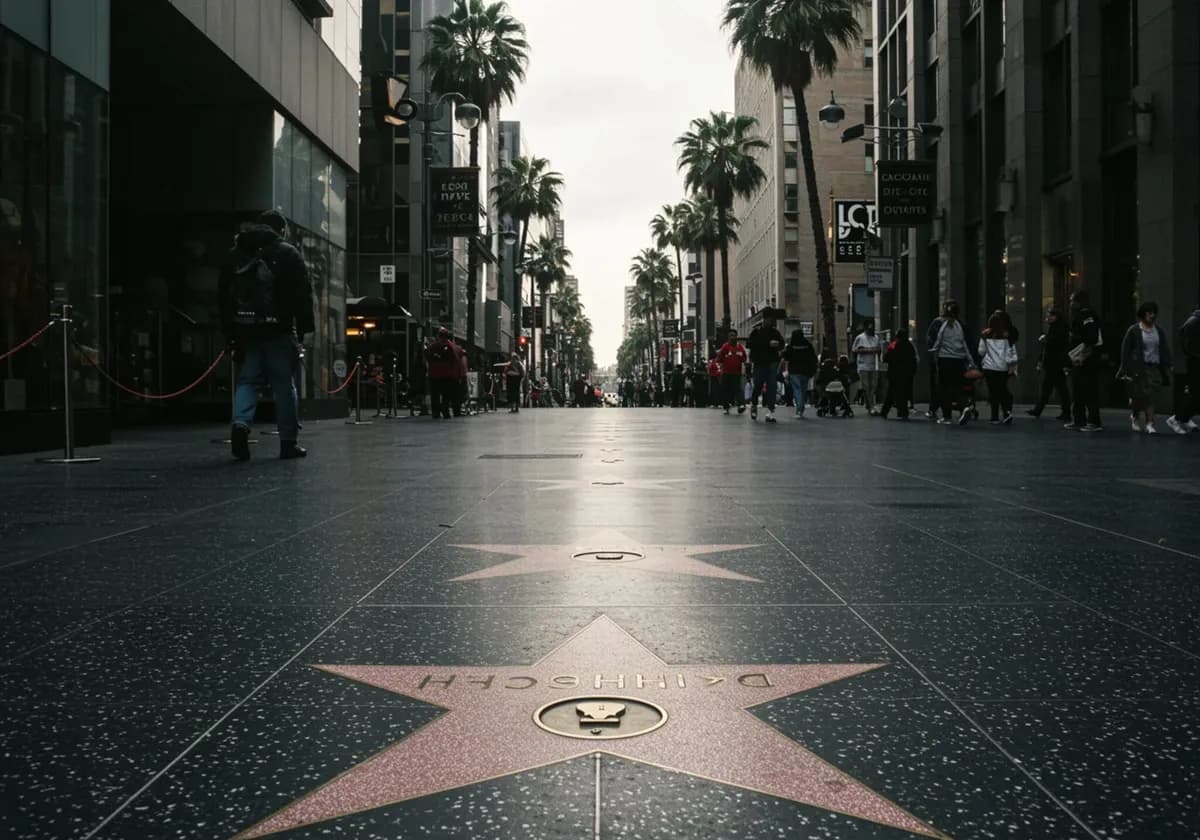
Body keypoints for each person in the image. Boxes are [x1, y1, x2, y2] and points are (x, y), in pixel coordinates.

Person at [219, 209, 315, 461]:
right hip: (278, 330)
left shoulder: (236, 253)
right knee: (284, 386)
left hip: (245, 329)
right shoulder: (287, 253)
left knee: (248, 381)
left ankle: (240, 424)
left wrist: (229, 331)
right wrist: (304, 330)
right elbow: (302, 294)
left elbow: (223, 296)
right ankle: (288, 442)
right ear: (281, 230)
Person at [1118, 301, 1172, 435]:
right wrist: (1125, 368)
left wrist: (1168, 363)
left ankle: (1150, 423)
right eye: (1149, 313)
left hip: (1154, 368)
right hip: (1139, 368)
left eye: (1154, 313)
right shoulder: (1134, 330)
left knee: (1151, 396)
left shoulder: (1158, 331)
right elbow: (1126, 350)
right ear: (1143, 315)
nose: (1152, 316)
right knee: (1139, 397)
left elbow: (1164, 348)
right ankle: (1135, 416)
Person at [930, 299, 974, 426]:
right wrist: (970, 361)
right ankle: (964, 406)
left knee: (944, 388)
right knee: (958, 386)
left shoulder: (943, 326)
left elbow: (938, 342)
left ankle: (947, 416)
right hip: (959, 360)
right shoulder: (960, 326)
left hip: (945, 360)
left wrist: (934, 354)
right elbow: (965, 344)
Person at [1066, 289, 1104, 432]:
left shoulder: (1087, 315)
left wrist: (1079, 344)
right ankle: (1078, 419)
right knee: (1078, 390)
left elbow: (1091, 337)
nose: (1070, 304)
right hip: (1079, 358)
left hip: (1088, 359)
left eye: (1072, 300)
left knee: (1089, 390)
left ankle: (1094, 421)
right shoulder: (1079, 315)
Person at [1027, 306, 1071, 420]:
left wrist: (1045, 339)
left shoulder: (1059, 329)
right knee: (1057, 388)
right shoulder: (1055, 328)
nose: (1047, 317)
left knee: (1054, 388)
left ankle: (1040, 410)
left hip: (1055, 363)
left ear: (1056, 317)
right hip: (1053, 363)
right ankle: (1063, 412)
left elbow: (1056, 346)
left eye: (1050, 315)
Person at [979, 311, 1020, 425]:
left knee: (993, 392)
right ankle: (1007, 412)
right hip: (1003, 367)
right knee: (1002, 389)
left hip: (989, 367)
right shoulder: (1008, 336)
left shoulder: (985, 335)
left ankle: (994, 417)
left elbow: (981, 351)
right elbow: (1011, 351)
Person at [746, 313, 785, 422]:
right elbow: (749, 344)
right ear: (764, 320)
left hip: (772, 361)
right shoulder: (756, 332)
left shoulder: (775, 332)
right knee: (758, 384)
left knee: (772, 386)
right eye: (768, 319)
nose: (769, 322)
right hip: (759, 362)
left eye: (771, 320)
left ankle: (770, 411)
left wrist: (778, 345)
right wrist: (767, 344)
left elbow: (782, 344)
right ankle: (754, 404)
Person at [1168, 305, 1200, 434]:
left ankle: (1185, 418)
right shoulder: (1194, 321)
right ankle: (1177, 419)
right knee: (1195, 393)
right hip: (1195, 362)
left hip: (1195, 360)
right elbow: (1185, 342)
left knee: (1195, 393)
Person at [881, 330, 918, 420]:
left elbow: (886, 357)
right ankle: (903, 412)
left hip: (894, 373)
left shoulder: (894, 344)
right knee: (904, 393)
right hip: (906, 374)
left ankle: (885, 411)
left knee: (891, 393)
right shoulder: (910, 346)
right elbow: (914, 360)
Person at [425, 328, 461, 420]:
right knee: (446, 395)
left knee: (435, 395)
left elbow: (428, 358)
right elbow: (455, 360)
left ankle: (435, 412)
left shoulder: (432, 346)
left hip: (434, 375)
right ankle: (445, 412)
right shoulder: (451, 346)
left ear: (438, 336)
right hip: (447, 375)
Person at [782, 329, 818, 418]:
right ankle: (801, 407)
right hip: (806, 371)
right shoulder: (808, 345)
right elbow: (813, 358)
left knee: (797, 390)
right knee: (803, 389)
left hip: (794, 371)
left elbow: (786, 356)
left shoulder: (791, 346)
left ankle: (799, 409)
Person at [852, 320, 883, 415]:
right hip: (863, 365)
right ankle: (871, 406)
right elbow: (854, 349)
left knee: (873, 385)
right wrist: (868, 350)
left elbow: (879, 349)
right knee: (866, 386)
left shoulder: (876, 337)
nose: (871, 330)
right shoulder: (860, 338)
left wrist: (877, 352)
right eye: (869, 328)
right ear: (865, 328)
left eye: (872, 328)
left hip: (874, 365)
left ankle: (869, 404)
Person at [716, 329, 748, 415]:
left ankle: (741, 405)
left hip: (737, 373)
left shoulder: (740, 347)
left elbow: (744, 358)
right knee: (725, 390)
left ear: (736, 337)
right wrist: (721, 367)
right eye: (731, 335)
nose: (732, 337)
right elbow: (719, 358)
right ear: (728, 337)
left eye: (734, 335)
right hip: (726, 373)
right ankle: (726, 407)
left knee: (738, 389)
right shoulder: (725, 347)